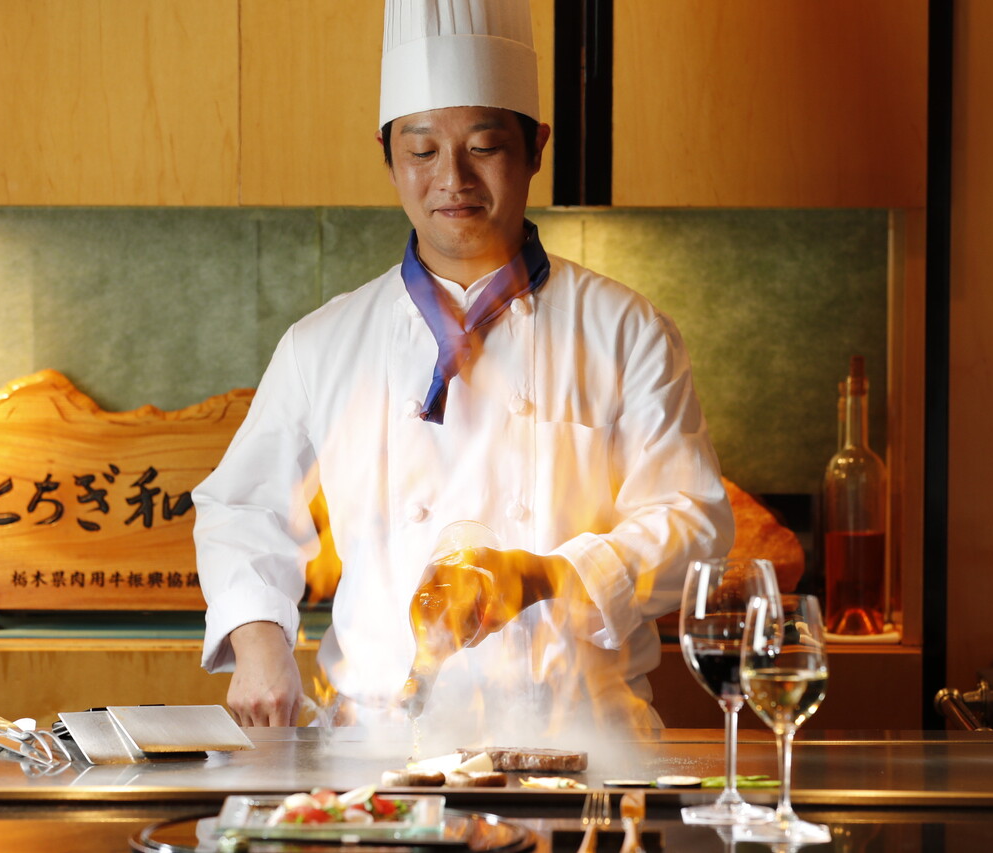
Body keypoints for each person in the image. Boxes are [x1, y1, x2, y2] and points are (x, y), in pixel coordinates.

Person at [193, 0, 733, 739]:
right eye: (422, 151)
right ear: (388, 157)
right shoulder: (323, 343)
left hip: (581, 745)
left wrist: (545, 575)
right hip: (378, 751)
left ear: (536, 146)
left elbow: (694, 523)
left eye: (484, 146)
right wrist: (260, 644)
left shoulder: (625, 330)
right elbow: (242, 507)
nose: (453, 178)